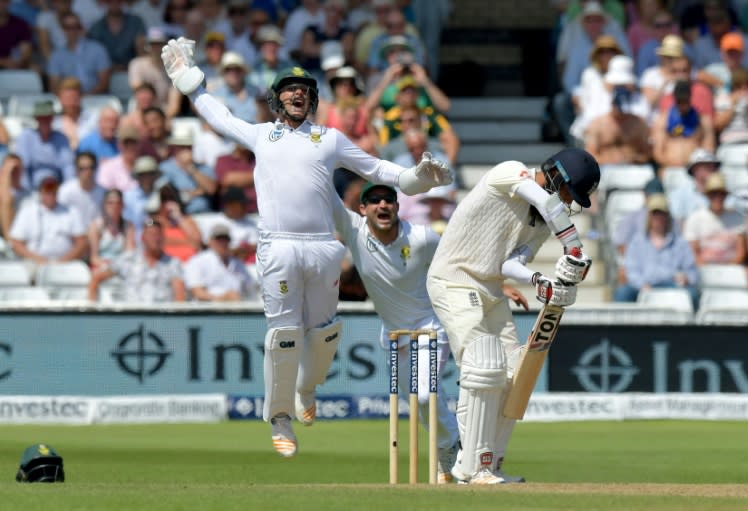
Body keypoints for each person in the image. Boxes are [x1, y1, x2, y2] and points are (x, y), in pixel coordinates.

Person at [160, 37, 451, 458]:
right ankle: (279, 418)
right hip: (277, 246)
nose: (298, 94)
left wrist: (417, 178)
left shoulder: (329, 139)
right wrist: (193, 86)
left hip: (322, 246)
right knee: (283, 335)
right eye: (289, 90)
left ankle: (306, 389)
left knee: (325, 332)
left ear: (313, 100)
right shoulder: (262, 135)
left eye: (305, 91)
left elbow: (376, 168)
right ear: (277, 100)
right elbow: (220, 117)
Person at [426, 148, 600, 484]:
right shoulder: (509, 172)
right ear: (555, 176)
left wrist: (541, 281)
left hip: (491, 288)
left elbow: (510, 265)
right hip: (453, 279)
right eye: (567, 191)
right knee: (482, 366)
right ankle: (470, 468)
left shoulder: (541, 223)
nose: (567, 201)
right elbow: (548, 204)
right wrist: (575, 247)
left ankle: (489, 463)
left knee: (512, 375)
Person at [331, 181, 461, 483]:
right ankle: (451, 444)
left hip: (430, 326)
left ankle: (450, 448)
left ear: (398, 206)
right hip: (393, 334)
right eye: (374, 201)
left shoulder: (422, 238)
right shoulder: (354, 231)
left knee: (427, 396)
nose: (382, 205)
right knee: (416, 401)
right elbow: (326, 196)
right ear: (362, 210)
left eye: (388, 199)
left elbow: (455, 266)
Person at [613, 193, 699, 304]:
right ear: (649, 216)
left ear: (667, 216)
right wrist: (642, 285)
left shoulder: (680, 243)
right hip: (644, 285)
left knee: (692, 295)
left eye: (662, 213)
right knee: (622, 293)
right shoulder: (637, 242)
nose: (658, 217)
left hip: (672, 285)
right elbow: (631, 271)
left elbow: (692, 271)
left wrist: (686, 278)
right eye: (655, 213)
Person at [88, 217, 186, 302]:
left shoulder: (172, 263)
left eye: (158, 235)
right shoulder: (128, 259)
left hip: (161, 318)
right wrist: (91, 309)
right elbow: (96, 278)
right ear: (143, 238)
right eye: (151, 235)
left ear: (163, 238)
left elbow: (180, 295)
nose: (155, 239)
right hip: (132, 316)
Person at [9, 169, 88, 271]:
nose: (51, 194)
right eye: (47, 190)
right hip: (34, 261)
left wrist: (63, 261)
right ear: (40, 192)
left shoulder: (71, 212)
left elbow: (81, 242)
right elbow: (16, 243)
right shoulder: (28, 211)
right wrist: (36, 259)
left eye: (54, 190)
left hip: (65, 262)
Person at [183, 223, 257, 302]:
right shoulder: (197, 261)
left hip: (237, 309)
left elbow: (250, 289)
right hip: (207, 310)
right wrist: (222, 298)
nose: (223, 242)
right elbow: (197, 293)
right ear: (210, 241)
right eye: (218, 239)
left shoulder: (237, 263)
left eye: (225, 239)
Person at [88, 188, 136, 271]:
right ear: (104, 204)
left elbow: (129, 252)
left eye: (118, 203)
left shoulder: (128, 226)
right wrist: (107, 265)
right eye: (110, 203)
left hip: (121, 267)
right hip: (101, 268)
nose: (114, 206)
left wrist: (117, 265)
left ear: (122, 205)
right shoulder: (96, 226)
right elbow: (94, 257)